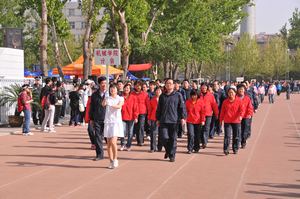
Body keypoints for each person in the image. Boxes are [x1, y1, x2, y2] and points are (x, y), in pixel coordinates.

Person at [156, 78, 187, 162]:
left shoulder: (178, 95)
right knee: (164, 137)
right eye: (167, 83)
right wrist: (157, 118)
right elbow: (159, 108)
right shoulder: (162, 96)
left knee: (173, 139)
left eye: (170, 83)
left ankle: (172, 155)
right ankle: (168, 150)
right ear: (165, 85)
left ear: (173, 85)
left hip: (174, 120)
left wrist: (183, 117)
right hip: (163, 120)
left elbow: (182, 107)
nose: (169, 85)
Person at [102, 84, 124, 169]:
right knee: (108, 144)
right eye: (111, 88)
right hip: (108, 122)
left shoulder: (120, 98)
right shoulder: (108, 98)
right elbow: (103, 104)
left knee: (113, 142)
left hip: (116, 122)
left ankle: (115, 159)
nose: (112, 90)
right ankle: (110, 161)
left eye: (114, 88)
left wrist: (110, 104)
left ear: (117, 89)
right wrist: (105, 98)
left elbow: (119, 106)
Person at [220, 88, 244, 155]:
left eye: (232, 92)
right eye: (229, 93)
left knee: (236, 136)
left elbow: (242, 109)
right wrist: (220, 120)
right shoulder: (225, 102)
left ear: (235, 93)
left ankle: (235, 148)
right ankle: (226, 149)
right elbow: (222, 112)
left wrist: (241, 116)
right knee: (227, 136)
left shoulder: (239, 101)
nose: (231, 94)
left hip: (236, 121)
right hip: (227, 121)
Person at [89, 76, 108, 161]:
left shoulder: (110, 94)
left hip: (108, 119)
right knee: (98, 136)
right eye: (102, 83)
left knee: (108, 137)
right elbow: (91, 107)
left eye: (105, 83)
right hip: (97, 118)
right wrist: (91, 119)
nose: (104, 85)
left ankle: (111, 152)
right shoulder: (94, 95)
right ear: (99, 84)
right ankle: (99, 154)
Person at [199, 83, 219, 149]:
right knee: (200, 128)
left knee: (206, 128)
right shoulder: (198, 95)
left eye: (205, 88)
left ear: (207, 88)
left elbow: (214, 105)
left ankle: (204, 142)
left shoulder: (211, 95)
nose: (204, 89)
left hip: (208, 114)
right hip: (199, 114)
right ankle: (201, 140)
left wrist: (216, 114)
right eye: (202, 88)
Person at [121, 83, 138, 151]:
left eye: (128, 88)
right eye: (125, 88)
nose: (126, 89)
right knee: (122, 131)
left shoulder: (133, 97)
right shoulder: (120, 97)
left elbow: (136, 108)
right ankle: (122, 144)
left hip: (131, 117)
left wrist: (136, 116)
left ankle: (128, 145)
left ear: (130, 89)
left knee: (130, 132)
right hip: (122, 117)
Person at [132, 81, 149, 146]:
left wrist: (148, 112)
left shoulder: (145, 94)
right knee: (136, 126)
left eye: (139, 85)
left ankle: (140, 141)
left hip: (142, 112)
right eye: (136, 85)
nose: (138, 87)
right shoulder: (132, 94)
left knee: (141, 126)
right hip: (134, 112)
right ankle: (139, 139)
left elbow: (147, 104)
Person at [237, 84, 253, 148]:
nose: (241, 91)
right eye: (240, 89)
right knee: (238, 129)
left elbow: (250, 107)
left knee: (245, 129)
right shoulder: (235, 98)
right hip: (238, 117)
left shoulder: (247, 98)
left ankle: (243, 141)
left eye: (242, 89)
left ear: (244, 90)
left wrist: (249, 114)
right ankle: (238, 141)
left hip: (246, 116)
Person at [147, 86, 162, 152]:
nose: (158, 92)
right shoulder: (152, 99)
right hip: (153, 117)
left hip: (162, 118)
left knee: (161, 134)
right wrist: (149, 118)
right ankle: (153, 148)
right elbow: (150, 109)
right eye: (157, 90)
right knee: (153, 133)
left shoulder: (164, 99)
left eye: (159, 90)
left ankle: (159, 147)